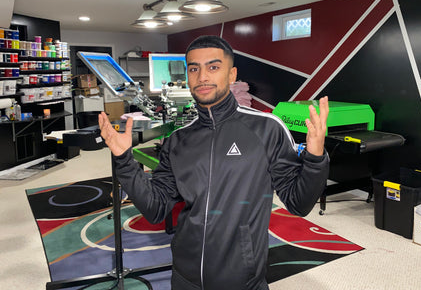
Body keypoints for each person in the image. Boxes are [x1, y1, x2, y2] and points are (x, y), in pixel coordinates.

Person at [99, 35, 330, 290]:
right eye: (194, 68)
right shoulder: (177, 140)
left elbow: (299, 203)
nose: (202, 77)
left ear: (232, 75)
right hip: (184, 276)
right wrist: (124, 161)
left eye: (213, 67)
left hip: (243, 279)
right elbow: (155, 209)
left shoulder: (266, 128)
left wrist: (315, 157)